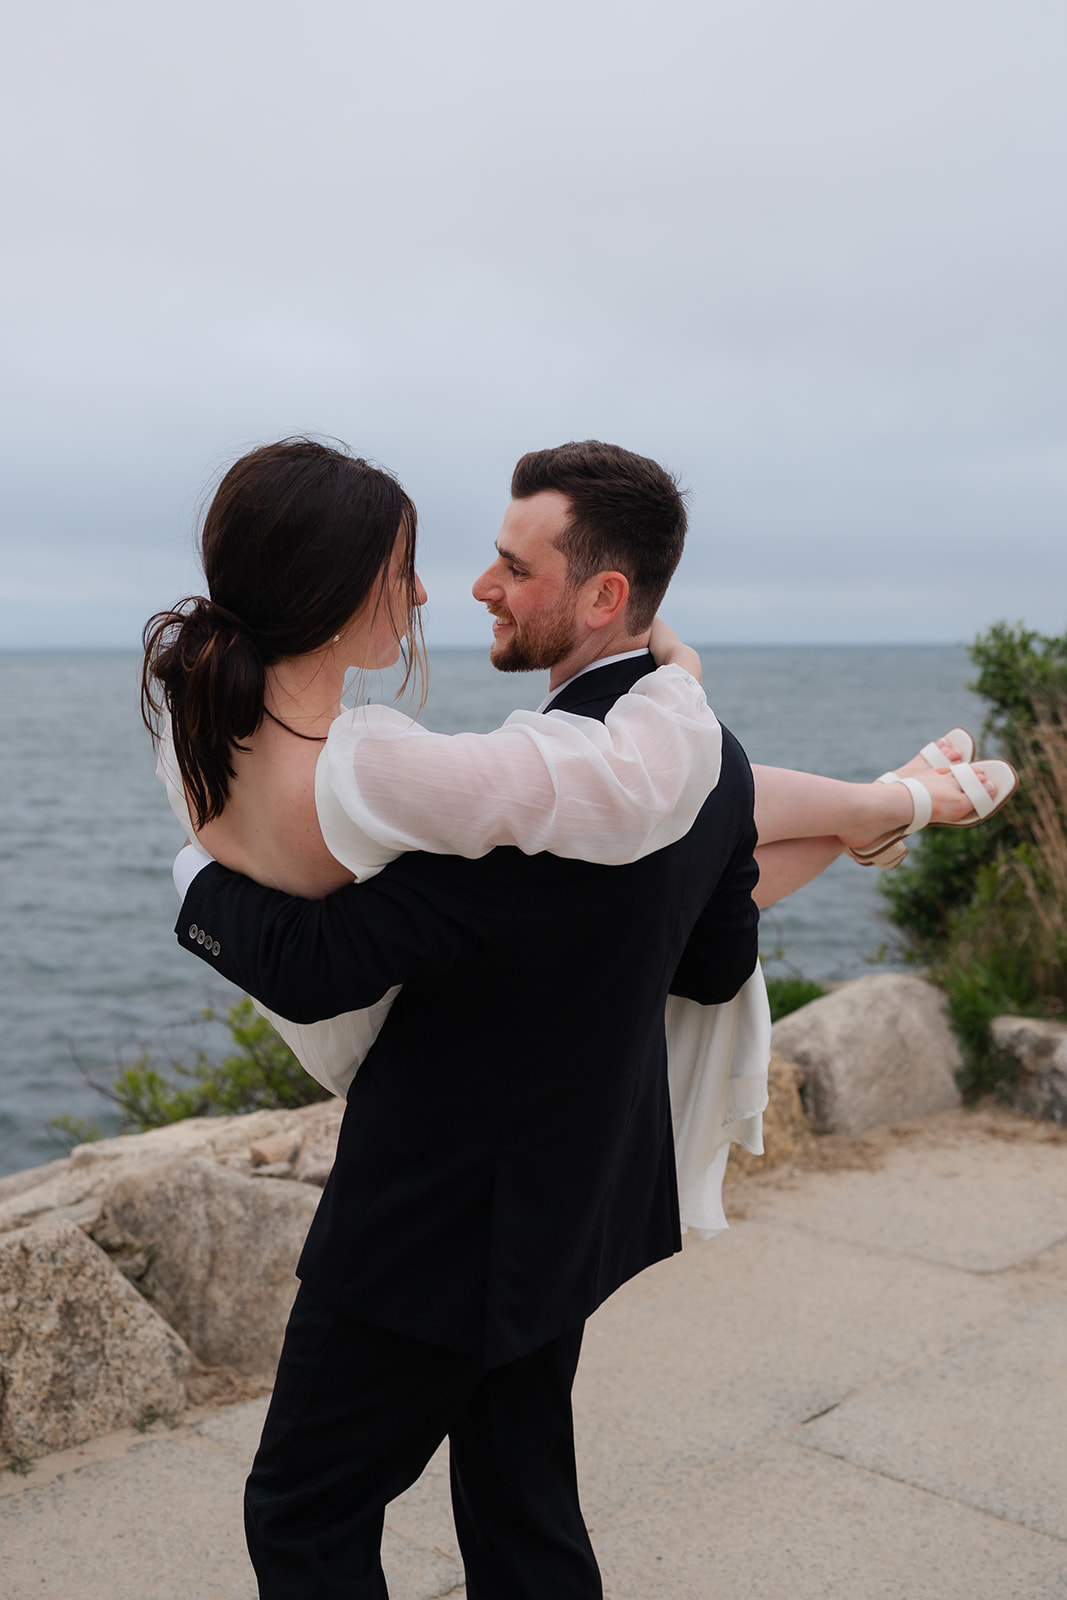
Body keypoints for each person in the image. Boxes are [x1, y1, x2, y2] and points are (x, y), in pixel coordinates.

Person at [157, 438, 1015, 1599]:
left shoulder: (512, 806)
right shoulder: (682, 765)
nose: (472, 587)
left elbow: (316, 964)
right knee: (519, 1513)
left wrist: (192, 883)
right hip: (572, 1206)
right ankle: (894, 807)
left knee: (303, 1514)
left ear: (602, 596)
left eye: (512, 565)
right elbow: (710, 955)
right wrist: (880, 804)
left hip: (436, 1219)